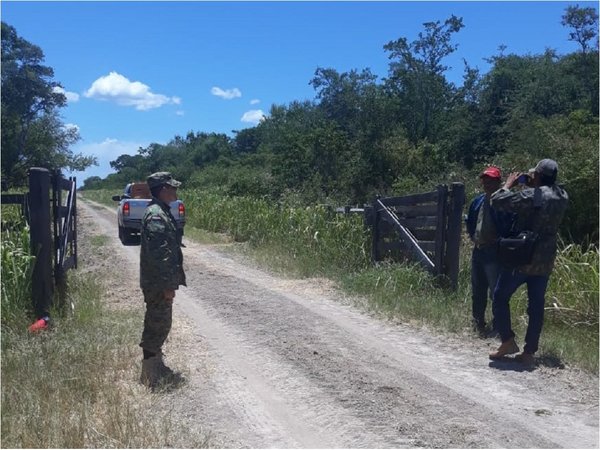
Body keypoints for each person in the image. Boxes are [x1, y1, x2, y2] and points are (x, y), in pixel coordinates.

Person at [488, 159, 568, 365]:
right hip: (545, 259)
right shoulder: (562, 196)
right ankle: (529, 352)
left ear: (539, 175)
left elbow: (497, 201)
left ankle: (507, 340)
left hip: (523, 257)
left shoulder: (533, 195)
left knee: (499, 296)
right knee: (536, 305)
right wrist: (535, 186)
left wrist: (508, 185)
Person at [139, 172, 187, 389]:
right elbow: (159, 255)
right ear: (163, 190)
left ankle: (155, 363)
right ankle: (150, 372)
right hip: (157, 282)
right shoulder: (157, 215)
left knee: (160, 322)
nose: (175, 191)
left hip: (158, 281)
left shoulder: (160, 212)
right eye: (172, 188)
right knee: (157, 323)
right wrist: (167, 285)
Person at [465, 166, 513, 337]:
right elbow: (470, 221)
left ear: (498, 182)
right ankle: (478, 322)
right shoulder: (477, 201)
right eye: (485, 179)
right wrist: (473, 237)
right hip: (478, 249)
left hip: (494, 251)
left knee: (496, 291)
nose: (487, 183)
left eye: (491, 180)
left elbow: (509, 224)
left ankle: (498, 327)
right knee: (478, 289)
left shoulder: (503, 201)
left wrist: (500, 240)